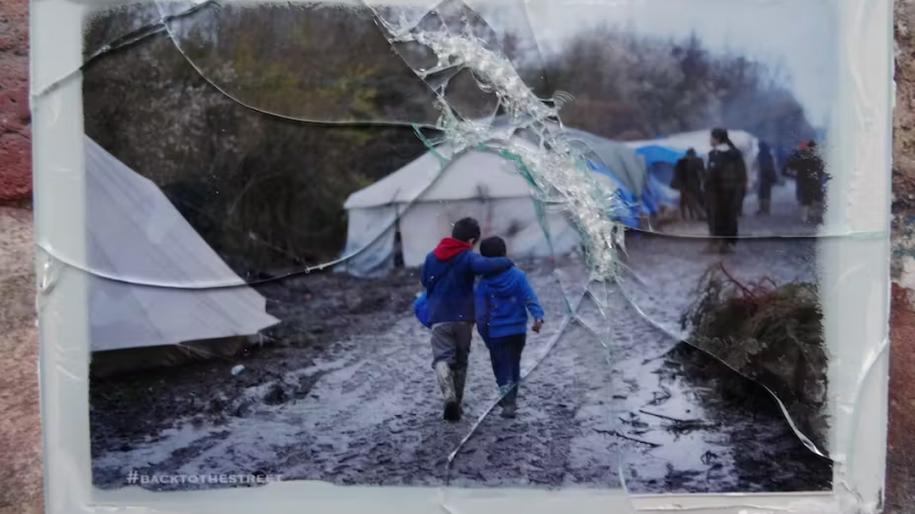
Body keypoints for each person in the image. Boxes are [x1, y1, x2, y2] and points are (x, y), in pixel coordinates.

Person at [421, 217, 514, 422]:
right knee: (461, 361)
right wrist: (507, 261)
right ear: (471, 241)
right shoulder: (467, 257)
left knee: (442, 358)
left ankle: (449, 397)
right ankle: (458, 404)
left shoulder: (431, 257)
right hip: (463, 318)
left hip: (439, 317)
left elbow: (424, 280)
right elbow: (487, 265)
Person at [474, 237, 544, 419]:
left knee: (500, 367)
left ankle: (508, 401)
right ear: (504, 253)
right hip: (518, 331)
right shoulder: (518, 275)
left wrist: (484, 334)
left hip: (496, 333)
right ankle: (511, 398)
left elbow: (481, 315)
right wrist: (538, 316)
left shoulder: (483, 283)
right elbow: (530, 297)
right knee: (514, 364)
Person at [705, 128, 747, 253]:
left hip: (726, 192)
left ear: (717, 139)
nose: (710, 140)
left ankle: (724, 243)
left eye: (712, 137)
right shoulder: (714, 154)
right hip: (717, 192)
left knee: (725, 217)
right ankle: (716, 242)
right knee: (717, 216)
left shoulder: (731, 154)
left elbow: (740, 175)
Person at [785, 140, 827, 223]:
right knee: (815, 199)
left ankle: (805, 217)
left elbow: (794, 164)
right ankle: (813, 215)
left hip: (805, 180)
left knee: (806, 200)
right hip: (814, 180)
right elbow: (821, 168)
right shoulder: (817, 157)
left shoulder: (803, 156)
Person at [672, 148, 706, 221]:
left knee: (687, 200)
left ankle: (691, 215)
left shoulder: (683, 161)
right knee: (689, 200)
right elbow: (678, 174)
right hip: (686, 184)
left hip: (688, 184)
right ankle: (697, 215)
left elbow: (701, 173)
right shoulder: (696, 160)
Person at [756, 141, 778, 215]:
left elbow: (760, 166)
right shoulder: (769, 155)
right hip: (767, 177)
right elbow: (771, 166)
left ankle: (762, 209)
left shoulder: (759, 155)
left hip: (762, 177)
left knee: (761, 193)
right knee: (767, 193)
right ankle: (766, 210)